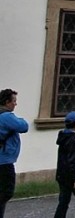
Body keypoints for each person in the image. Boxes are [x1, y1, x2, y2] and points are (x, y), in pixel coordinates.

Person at [0, 88, 29, 218]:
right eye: (14, 101)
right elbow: (24, 126)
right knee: (6, 192)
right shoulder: (6, 116)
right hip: (4, 160)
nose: (15, 104)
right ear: (7, 102)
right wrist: (20, 119)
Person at [54, 111, 75, 218]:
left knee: (64, 201)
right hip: (72, 175)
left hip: (61, 174)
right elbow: (73, 161)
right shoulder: (74, 140)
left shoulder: (63, 137)